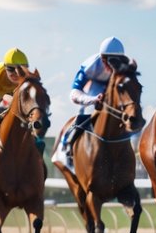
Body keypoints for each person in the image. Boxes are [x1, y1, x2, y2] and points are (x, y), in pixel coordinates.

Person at [53, 36, 131, 171]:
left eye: (117, 61)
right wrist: (93, 99)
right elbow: (74, 93)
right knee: (89, 110)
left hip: (114, 89)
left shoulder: (126, 67)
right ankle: (68, 142)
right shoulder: (90, 65)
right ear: (102, 58)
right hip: (95, 88)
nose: (113, 66)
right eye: (109, 61)